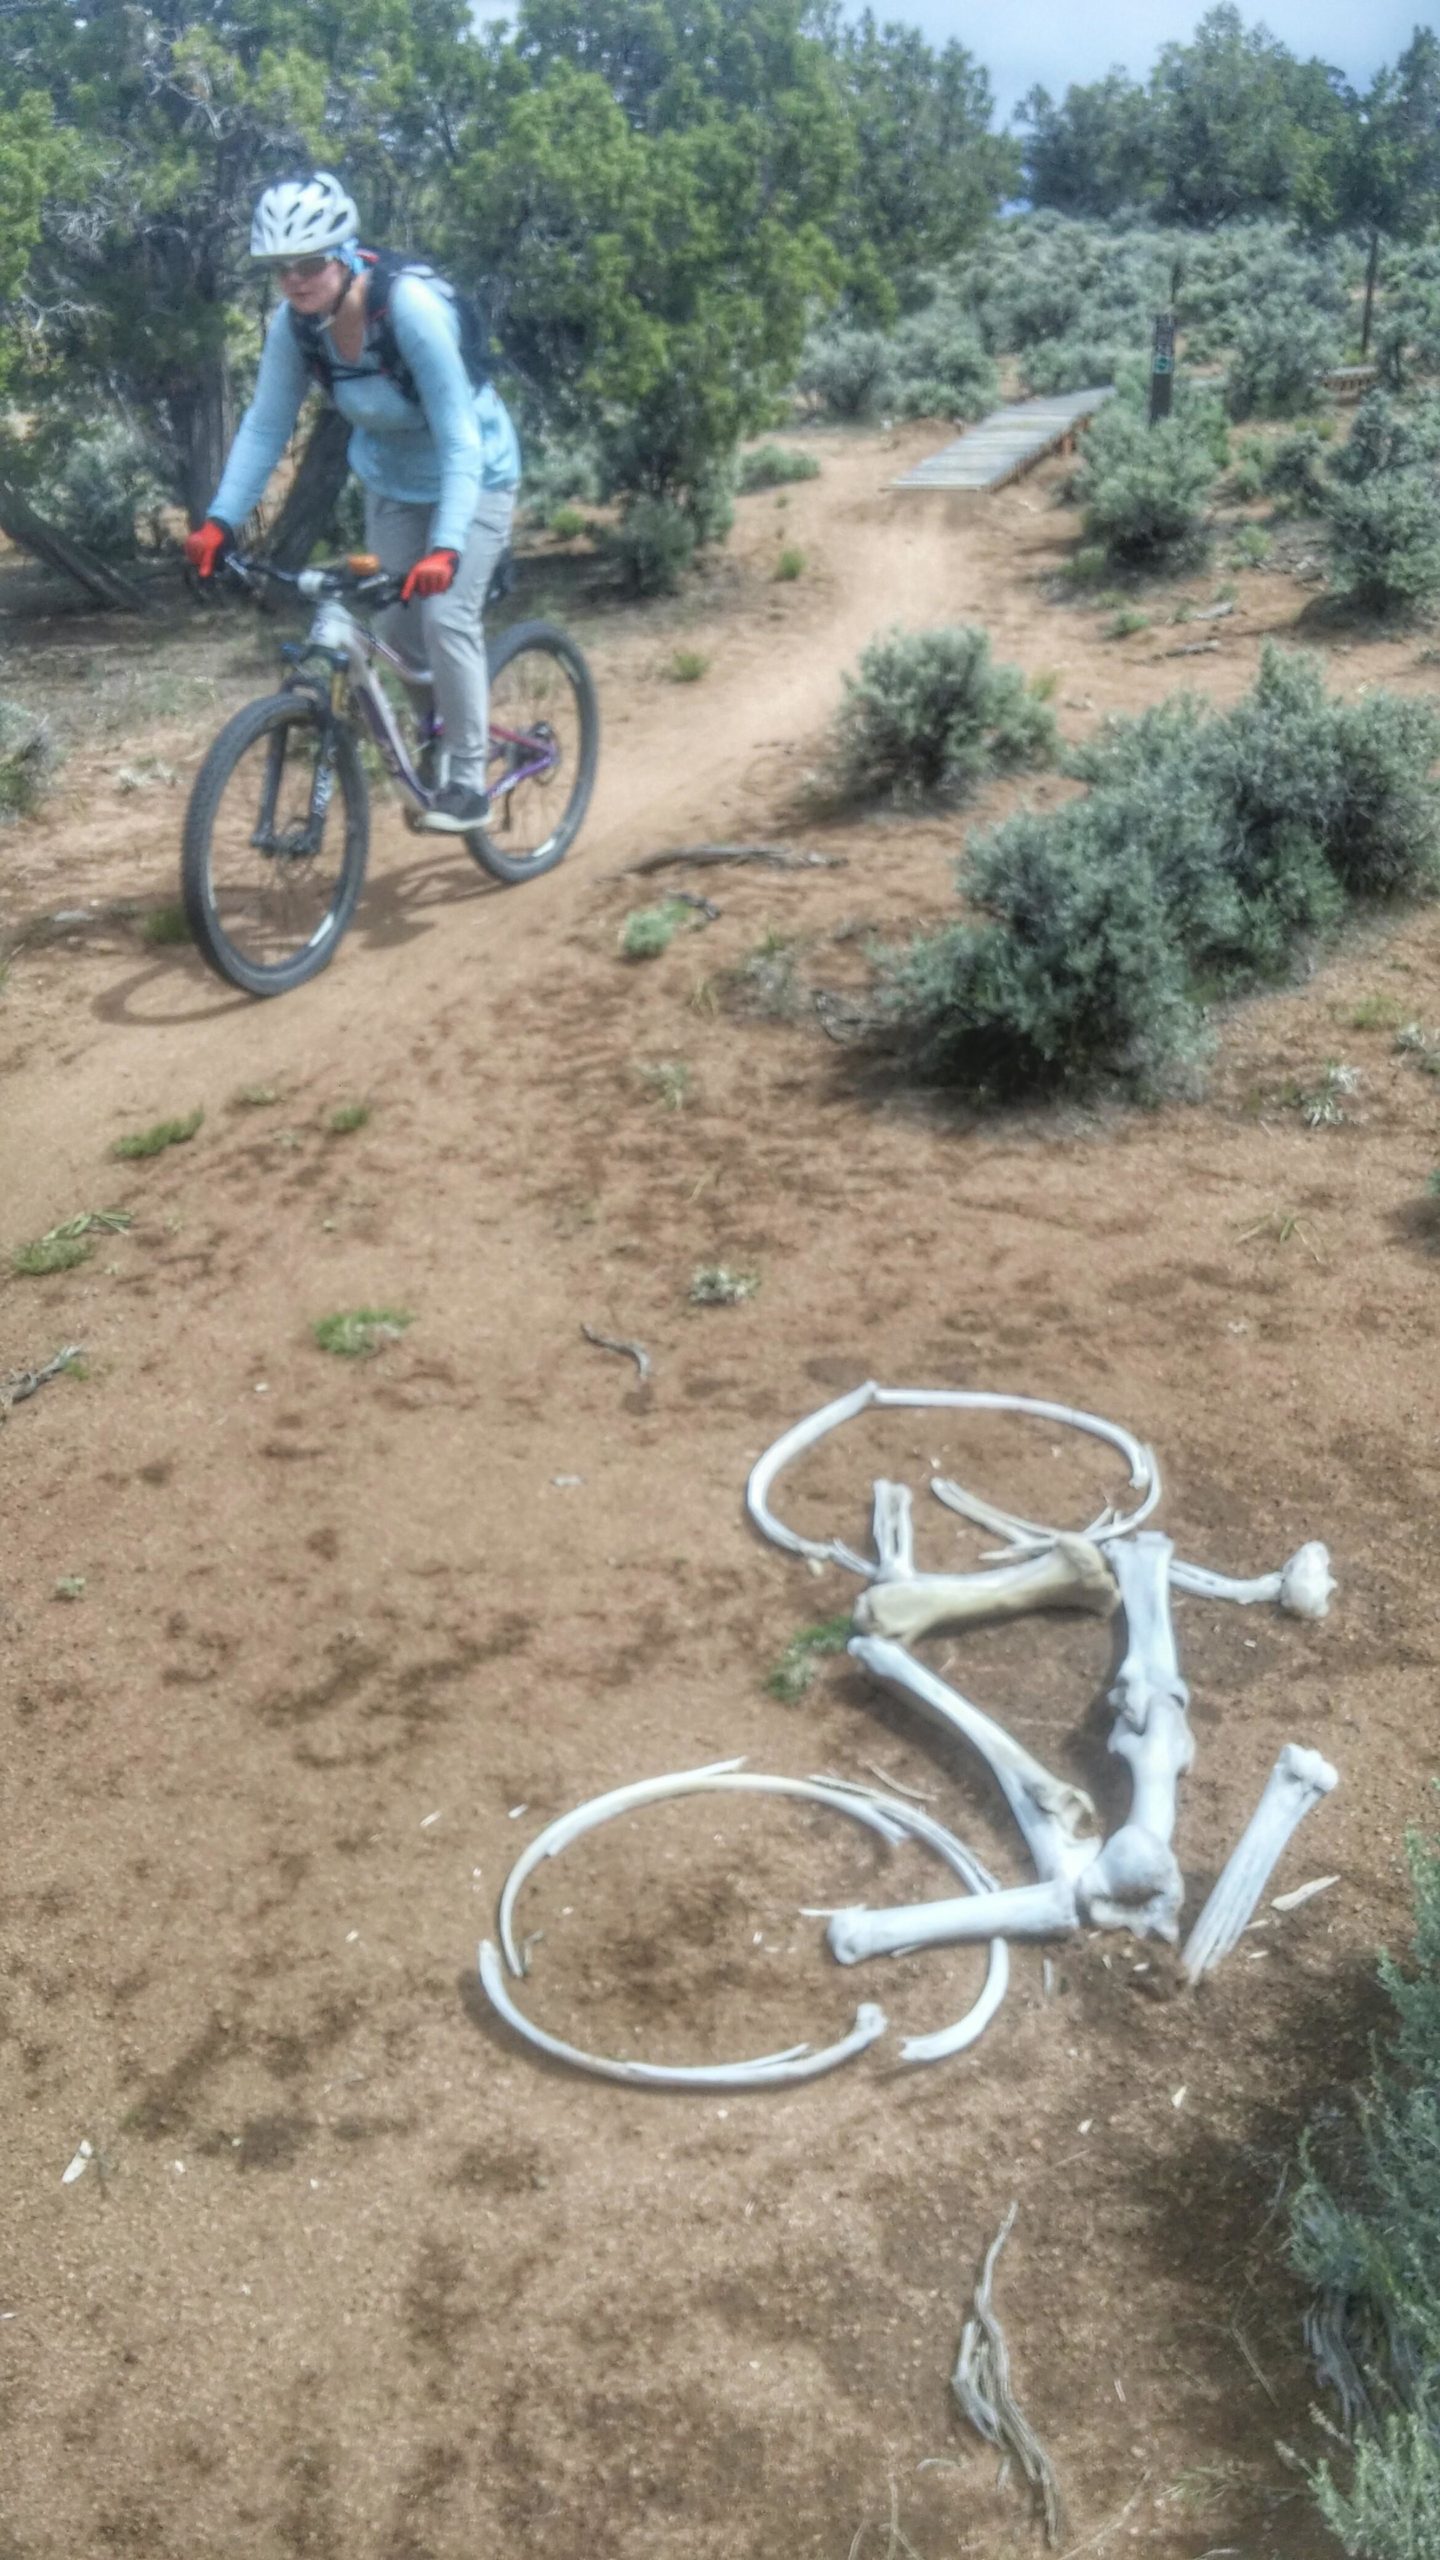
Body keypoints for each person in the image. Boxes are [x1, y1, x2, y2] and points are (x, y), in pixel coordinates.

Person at [185, 172, 520, 835]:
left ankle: (467, 776)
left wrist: (448, 544)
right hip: (393, 482)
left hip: (474, 474)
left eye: (309, 263)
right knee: (394, 629)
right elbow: (263, 426)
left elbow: (459, 438)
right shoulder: (296, 327)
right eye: (280, 267)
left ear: (342, 253)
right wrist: (222, 520)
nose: (295, 279)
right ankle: (435, 732)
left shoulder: (411, 313)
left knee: (446, 617)